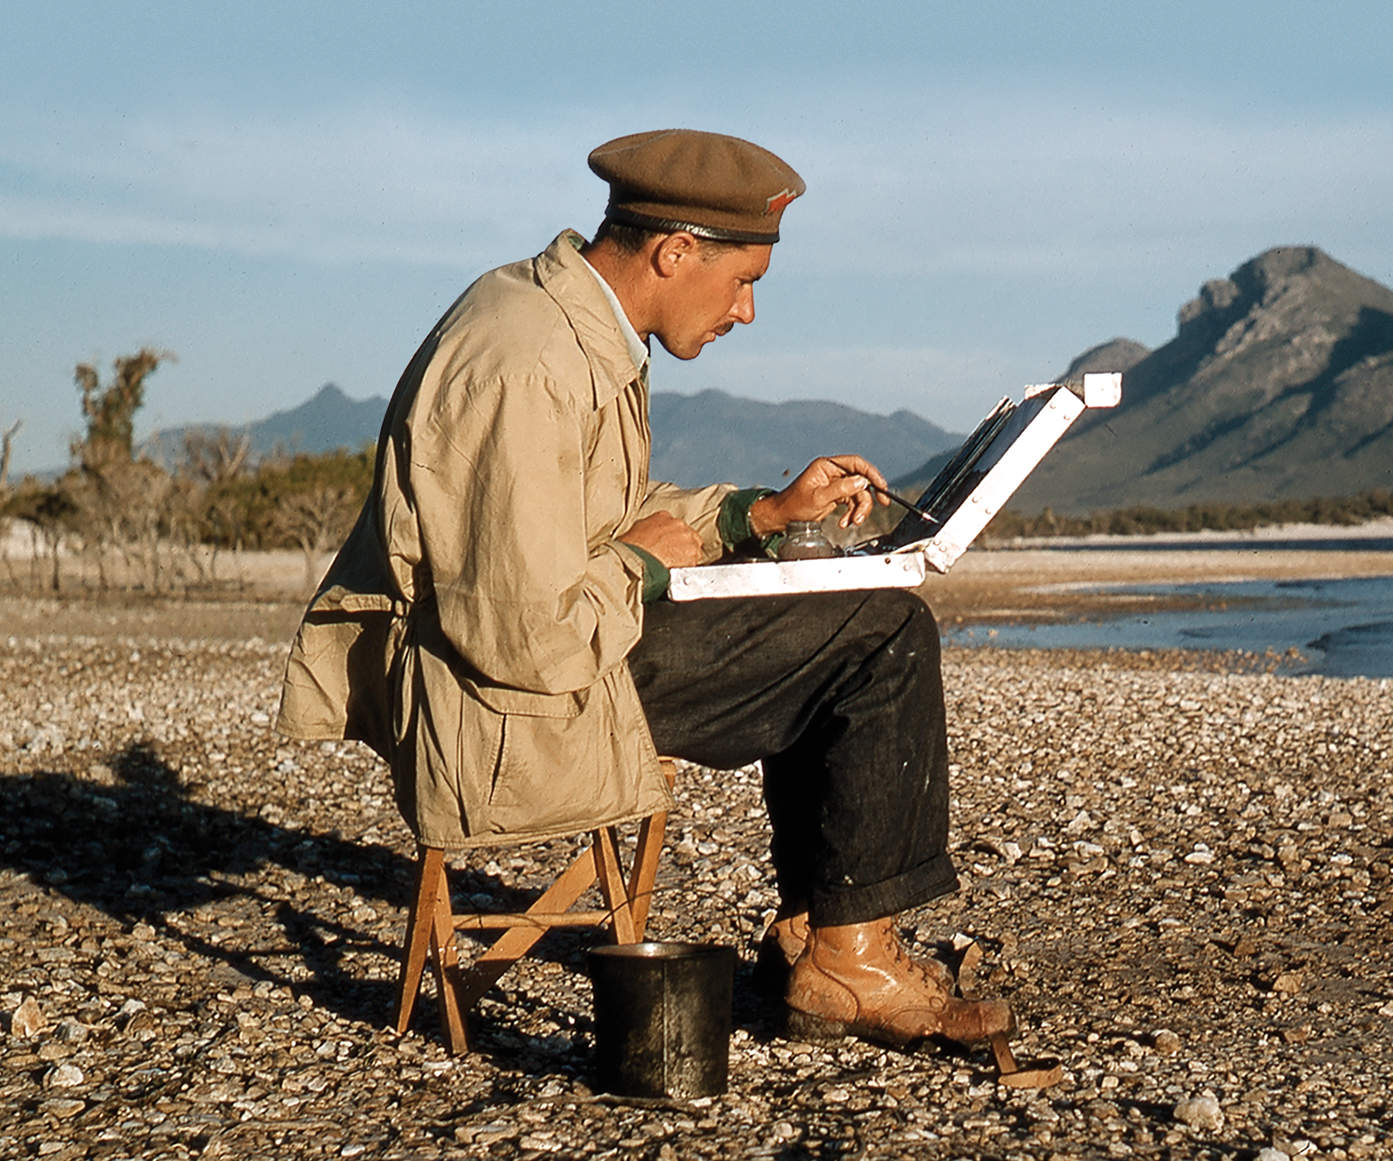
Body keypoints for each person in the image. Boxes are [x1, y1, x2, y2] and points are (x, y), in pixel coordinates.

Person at [276, 128, 1012, 1049]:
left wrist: (759, 514)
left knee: (826, 612)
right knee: (879, 634)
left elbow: (596, 517)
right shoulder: (530, 362)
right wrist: (647, 567)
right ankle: (846, 961)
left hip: (552, 655)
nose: (746, 312)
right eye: (743, 282)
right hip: (504, 703)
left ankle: (823, 932)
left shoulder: (561, 322)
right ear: (674, 252)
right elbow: (523, 634)